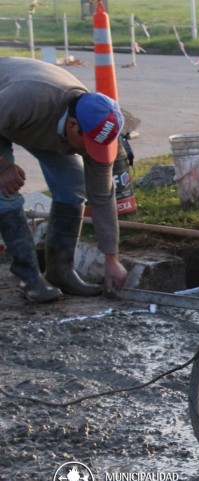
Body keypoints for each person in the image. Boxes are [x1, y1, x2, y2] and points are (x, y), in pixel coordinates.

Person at [0, 56, 128, 303]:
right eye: (88, 145)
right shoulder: (30, 97)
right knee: (5, 193)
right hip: (10, 107)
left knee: (74, 185)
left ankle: (60, 271)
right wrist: (4, 167)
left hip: (30, 122)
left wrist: (111, 257)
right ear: (72, 125)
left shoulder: (95, 125)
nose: (91, 153)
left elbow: (102, 197)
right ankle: (29, 276)